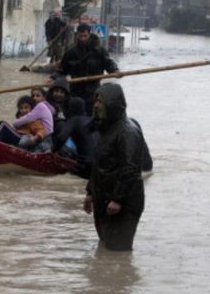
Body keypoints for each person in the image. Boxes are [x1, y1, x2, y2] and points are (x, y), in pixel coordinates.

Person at [84, 83, 145, 251]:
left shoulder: (128, 132)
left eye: (101, 102)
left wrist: (118, 199)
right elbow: (98, 164)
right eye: (95, 101)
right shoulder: (104, 129)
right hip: (103, 198)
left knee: (118, 251)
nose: (96, 105)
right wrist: (90, 192)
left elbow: (130, 170)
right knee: (105, 247)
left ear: (113, 103)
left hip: (123, 203)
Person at [53, 23, 120, 115]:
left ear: (89, 34)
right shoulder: (70, 52)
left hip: (94, 90)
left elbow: (108, 63)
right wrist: (53, 78)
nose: (83, 39)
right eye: (80, 36)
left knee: (92, 115)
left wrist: (115, 70)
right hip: (75, 90)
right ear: (77, 35)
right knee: (74, 115)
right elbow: (62, 70)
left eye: (85, 36)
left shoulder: (99, 50)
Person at [52, 97, 94, 178]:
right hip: (99, 167)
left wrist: (52, 151)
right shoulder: (92, 120)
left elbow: (61, 138)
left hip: (84, 166)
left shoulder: (74, 120)